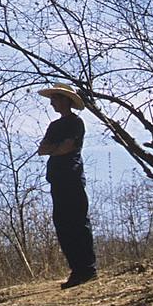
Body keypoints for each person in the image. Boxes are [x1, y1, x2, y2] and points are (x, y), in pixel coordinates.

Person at [36, 85, 98, 288]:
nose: (52, 102)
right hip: (56, 180)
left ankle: (87, 269)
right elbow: (42, 149)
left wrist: (56, 148)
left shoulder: (76, 122)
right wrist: (56, 149)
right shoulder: (54, 126)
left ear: (65, 100)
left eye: (55, 98)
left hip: (72, 178)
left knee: (78, 222)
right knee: (62, 225)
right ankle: (76, 271)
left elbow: (68, 147)